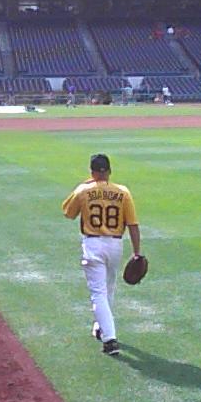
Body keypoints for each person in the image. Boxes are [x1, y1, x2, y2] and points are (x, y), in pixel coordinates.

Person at [61, 153, 141, 358]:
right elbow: (132, 224)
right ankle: (100, 327)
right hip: (115, 244)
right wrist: (137, 252)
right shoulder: (123, 192)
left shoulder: (84, 190)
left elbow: (67, 213)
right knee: (109, 288)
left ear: (92, 171)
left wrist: (84, 185)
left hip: (93, 244)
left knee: (98, 292)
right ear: (110, 171)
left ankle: (110, 339)